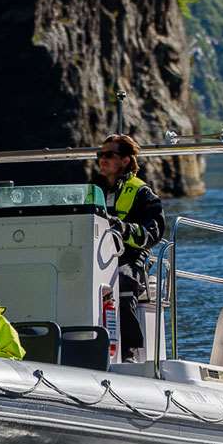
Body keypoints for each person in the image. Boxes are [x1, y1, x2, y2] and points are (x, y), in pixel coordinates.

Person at [96, 134, 165, 361]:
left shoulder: (142, 192)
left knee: (122, 284)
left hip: (130, 258)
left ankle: (128, 352)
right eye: (100, 155)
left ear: (125, 160)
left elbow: (154, 233)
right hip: (92, 255)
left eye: (109, 155)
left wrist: (124, 229)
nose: (102, 159)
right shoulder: (91, 190)